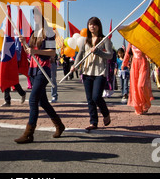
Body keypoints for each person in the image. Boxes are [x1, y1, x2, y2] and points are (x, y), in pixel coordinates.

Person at [14, 8, 65, 144]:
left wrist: (35, 51)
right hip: (34, 70)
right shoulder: (34, 32)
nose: (35, 18)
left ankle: (29, 133)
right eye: (34, 15)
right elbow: (29, 51)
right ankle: (59, 125)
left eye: (38, 15)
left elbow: (52, 52)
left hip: (43, 70)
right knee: (43, 102)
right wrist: (24, 43)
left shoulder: (48, 32)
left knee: (32, 101)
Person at [71, 17, 112, 131]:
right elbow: (80, 55)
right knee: (90, 99)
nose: (92, 26)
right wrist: (75, 65)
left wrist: (98, 51)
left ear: (99, 26)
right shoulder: (86, 40)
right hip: (87, 71)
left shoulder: (105, 40)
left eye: (94, 24)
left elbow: (110, 55)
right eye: (90, 24)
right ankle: (93, 122)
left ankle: (105, 113)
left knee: (96, 97)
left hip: (99, 72)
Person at [122, 43, 154, 115]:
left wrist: (150, 57)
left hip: (144, 64)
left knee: (141, 85)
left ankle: (145, 104)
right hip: (134, 65)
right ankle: (138, 107)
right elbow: (127, 53)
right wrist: (124, 63)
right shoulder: (131, 41)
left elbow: (149, 52)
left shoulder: (143, 40)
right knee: (135, 87)